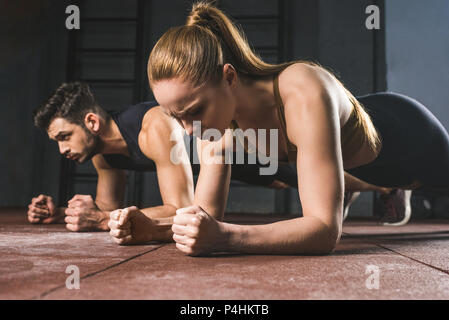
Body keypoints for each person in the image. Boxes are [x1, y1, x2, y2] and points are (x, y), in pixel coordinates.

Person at [136, 2, 449, 255]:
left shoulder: (302, 89)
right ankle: (360, 186)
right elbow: (204, 219)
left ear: (229, 77)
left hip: (410, 136)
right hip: (368, 167)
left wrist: (225, 239)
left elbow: (325, 230)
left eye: (194, 112)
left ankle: (370, 187)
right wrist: (152, 228)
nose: (188, 131)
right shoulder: (212, 128)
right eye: (176, 117)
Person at [29, 82, 296, 244]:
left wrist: (101, 220)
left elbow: (182, 207)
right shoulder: (102, 152)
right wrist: (61, 213)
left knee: (311, 177)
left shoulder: (152, 126)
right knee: (280, 182)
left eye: (65, 137)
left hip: (246, 147)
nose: (62, 149)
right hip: (216, 167)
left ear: (91, 123)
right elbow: (110, 208)